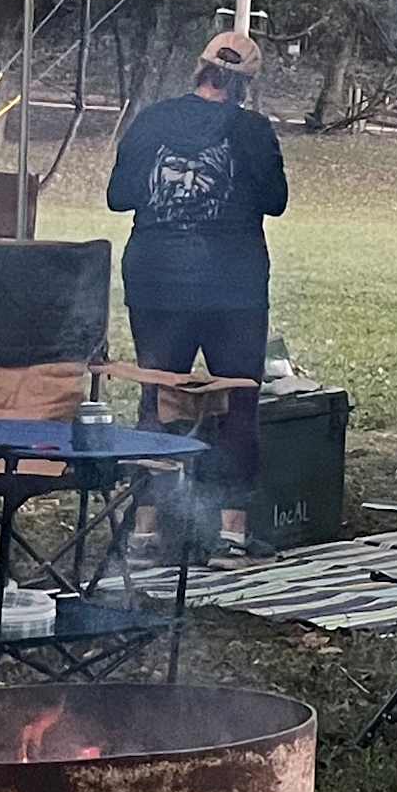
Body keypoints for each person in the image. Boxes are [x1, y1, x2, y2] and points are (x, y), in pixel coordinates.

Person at [107, 28, 289, 548]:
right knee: (238, 401)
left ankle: (144, 530)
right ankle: (231, 535)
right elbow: (275, 201)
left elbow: (119, 196)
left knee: (159, 399)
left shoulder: (153, 120)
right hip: (233, 286)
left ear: (201, 69)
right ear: (245, 83)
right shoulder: (252, 130)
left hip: (156, 280)